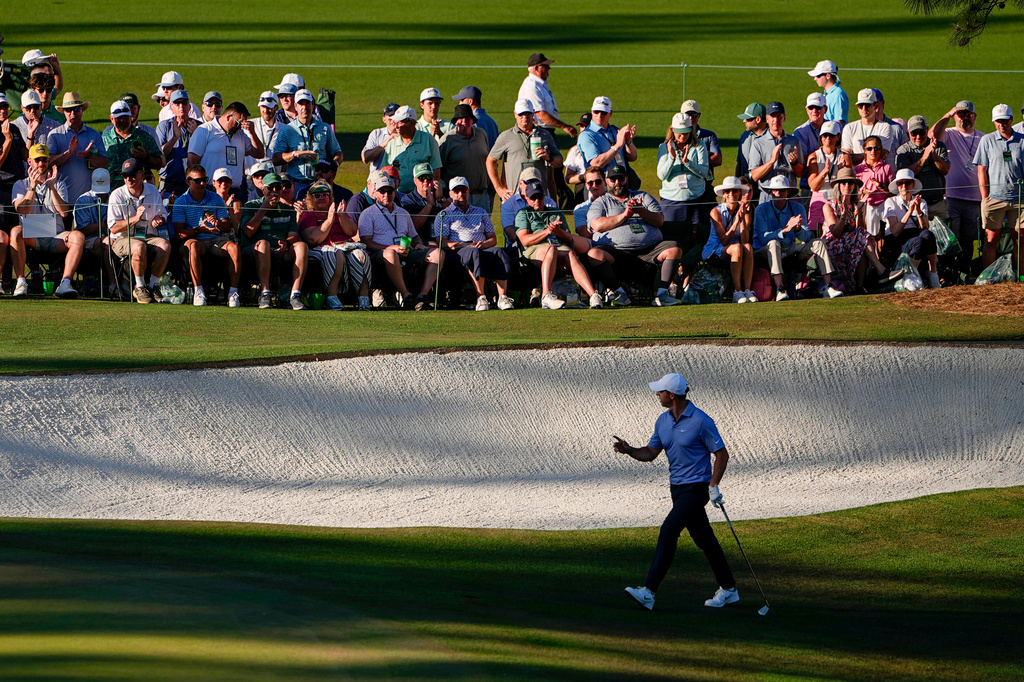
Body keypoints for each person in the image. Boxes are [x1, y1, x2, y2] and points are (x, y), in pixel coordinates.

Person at [616, 372, 739, 612]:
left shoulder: (701, 420)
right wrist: (629, 450)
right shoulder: (662, 421)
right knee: (704, 539)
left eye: (660, 391)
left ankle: (649, 591)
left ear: (672, 395)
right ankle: (729, 589)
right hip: (677, 489)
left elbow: (721, 454)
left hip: (696, 488)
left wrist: (713, 485)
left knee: (669, 530)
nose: (657, 394)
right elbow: (650, 453)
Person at [588, 164, 681, 306]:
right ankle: (620, 294)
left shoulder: (643, 196)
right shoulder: (601, 202)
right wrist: (625, 215)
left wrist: (641, 211)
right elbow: (597, 225)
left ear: (626, 179)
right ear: (606, 181)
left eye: (621, 179)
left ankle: (662, 295)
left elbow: (659, 220)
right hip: (616, 251)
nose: (617, 183)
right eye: (613, 179)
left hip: (649, 249)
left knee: (674, 249)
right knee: (594, 254)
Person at [358, 170, 443, 310]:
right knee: (391, 254)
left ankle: (422, 295)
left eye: (390, 191)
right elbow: (366, 242)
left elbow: (414, 235)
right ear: (376, 193)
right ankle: (406, 296)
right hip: (381, 255)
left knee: (437, 253)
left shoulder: (403, 213)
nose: (386, 195)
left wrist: (418, 244)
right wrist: (390, 247)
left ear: (395, 192)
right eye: (382, 191)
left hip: (406, 251)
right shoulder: (368, 214)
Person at [514, 179, 603, 309]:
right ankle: (546, 296)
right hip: (535, 249)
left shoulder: (555, 212)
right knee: (551, 249)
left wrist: (558, 231)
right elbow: (524, 240)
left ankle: (593, 295)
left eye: (540, 197)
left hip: (558, 245)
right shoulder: (523, 214)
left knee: (570, 254)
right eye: (533, 198)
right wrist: (547, 231)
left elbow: (568, 237)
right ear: (526, 198)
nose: (537, 200)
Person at [753, 175, 843, 300]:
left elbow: (806, 237)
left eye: (782, 190)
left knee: (818, 243)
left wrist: (797, 229)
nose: (778, 193)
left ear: (788, 192)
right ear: (771, 192)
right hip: (765, 250)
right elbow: (763, 238)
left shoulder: (798, 208)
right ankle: (780, 288)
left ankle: (828, 286)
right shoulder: (761, 209)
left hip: (790, 247)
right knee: (773, 243)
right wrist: (785, 230)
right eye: (775, 190)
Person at [9, 143, 81, 298]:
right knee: (15, 232)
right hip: (32, 235)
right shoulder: (21, 184)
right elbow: (22, 210)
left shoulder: (59, 184)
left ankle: (65, 283)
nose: (41, 163)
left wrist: (52, 188)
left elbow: (64, 213)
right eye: (37, 160)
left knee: (78, 237)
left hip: (55, 235)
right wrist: (32, 187)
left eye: (44, 160)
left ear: (49, 161)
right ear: (30, 162)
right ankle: (21, 282)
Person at [433, 176, 514, 311]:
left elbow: (493, 239)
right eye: (456, 191)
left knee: (499, 252)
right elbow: (442, 242)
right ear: (451, 194)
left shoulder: (480, 212)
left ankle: (502, 297)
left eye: (463, 190)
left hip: (481, 246)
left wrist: (484, 244)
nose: (460, 194)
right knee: (474, 252)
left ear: (468, 191)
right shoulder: (444, 215)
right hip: (459, 251)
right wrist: (464, 245)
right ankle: (481, 298)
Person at [172, 164, 241, 307]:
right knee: (193, 246)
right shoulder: (181, 202)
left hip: (215, 240)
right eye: (198, 181)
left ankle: (233, 292)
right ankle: (198, 291)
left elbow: (227, 227)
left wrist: (217, 223)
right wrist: (199, 230)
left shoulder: (216, 199)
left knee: (234, 248)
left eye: (205, 180)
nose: (202, 183)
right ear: (188, 182)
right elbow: (179, 234)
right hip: (194, 239)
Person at [929, 100, 985, 278]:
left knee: (968, 240)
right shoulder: (949, 134)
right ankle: (950, 275)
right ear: (955, 117)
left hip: (975, 199)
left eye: (968, 115)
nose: (964, 118)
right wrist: (948, 114)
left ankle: (965, 273)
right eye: (961, 115)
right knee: (951, 239)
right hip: (952, 197)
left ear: (975, 116)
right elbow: (932, 135)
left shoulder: (983, 138)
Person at [299, 179, 371, 311]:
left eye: (325, 195)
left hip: (344, 246)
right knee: (333, 253)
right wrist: (329, 219)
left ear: (330, 197)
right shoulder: (309, 215)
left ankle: (364, 297)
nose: (321, 198)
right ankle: (332, 296)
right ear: (311, 198)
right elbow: (313, 239)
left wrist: (342, 216)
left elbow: (352, 232)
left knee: (360, 255)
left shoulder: (338, 212)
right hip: (321, 248)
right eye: (317, 195)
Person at [106, 158, 172, 303]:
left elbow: (162, 214)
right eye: (125, 176)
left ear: (142, 174)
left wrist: (159, 219)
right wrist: (135, 219)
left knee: (165, 246)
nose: (128, 179)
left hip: (149, 235)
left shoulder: (153, 191)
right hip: (123, 238)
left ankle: (153, 286)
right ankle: (140, 287)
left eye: (132, 175)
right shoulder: (117, 195)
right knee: (139, 246)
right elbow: (114, 227)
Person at [240, 172, 308, 310]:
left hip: (280, 251)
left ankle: (295, 294)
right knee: (264, 244)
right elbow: (248, 231)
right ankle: (265, 293)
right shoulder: (251, 206)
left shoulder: (288, 210)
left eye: (278, 188)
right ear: (263, 189)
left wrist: (286, 243)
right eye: (270, 188)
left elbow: (293, 235)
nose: (274, 191)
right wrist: (263, 209)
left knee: (301, 246)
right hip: (255, 251)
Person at [822, 168, 896, 294]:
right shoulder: (828, 205)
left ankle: (860, 287)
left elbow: (861, 229)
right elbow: (835, 233)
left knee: (861, 243)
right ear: (838, 186)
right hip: (833, 246)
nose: (847, 185)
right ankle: (881, 271)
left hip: (852, 243)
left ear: (854, 186)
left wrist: (860, 212)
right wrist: (844, 214)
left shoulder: (856, 204)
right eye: (843, 182)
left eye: (851, 183)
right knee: (861, 240)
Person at [973, 103, 1024, 268]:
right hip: (994, 198)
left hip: (1020, 199)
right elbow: (981, 170)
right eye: (998, 121)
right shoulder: (987, 140)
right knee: (991, 239)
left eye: (1005, 120)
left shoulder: (1022, 140)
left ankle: (1021, 277)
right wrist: (985, 197)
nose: (1002, 124)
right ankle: (988, 277)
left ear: (1011, 120)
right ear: (994, 122)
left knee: (1020, 240)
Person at [487, 98, 561, 202]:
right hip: (515, 198)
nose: (524, 117)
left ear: (533, 113)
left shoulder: (545, 135)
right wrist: (499, 189)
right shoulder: (506, 136)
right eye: (521, 114)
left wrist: (549, 157)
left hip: (539, 198)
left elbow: (559, 161)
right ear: (515, 114)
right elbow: (490, 161)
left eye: (528, 113)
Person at [45, 91, 109, 202]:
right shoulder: (55, 135)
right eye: (68, 110)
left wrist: (90, 156)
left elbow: (105, 164)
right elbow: (48, 164)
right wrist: (68, 153)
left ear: (82, 110)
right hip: (62, 199)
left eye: (76, 109)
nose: (73, 113)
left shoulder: (94, 135)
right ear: (63, 112)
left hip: (89, 200)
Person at [189, 102, 264, 194]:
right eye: (238, 123)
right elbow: (192, 162)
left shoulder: (241, 134)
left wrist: (252, 132)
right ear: (228, 117)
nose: (240, 127)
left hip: (235, 190)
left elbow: (259, 154)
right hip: (210, 190)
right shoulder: (205, 130)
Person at [884, 168, 939, 288]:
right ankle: (910, 274)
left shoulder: (921, 201)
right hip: (897, 239)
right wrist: (909, 211)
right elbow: (895, 231)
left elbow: (925, 227)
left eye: (907, 183)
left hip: (915, 233)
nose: (904, 186)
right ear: (897, 186)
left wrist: (918, 210)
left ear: (913, 185)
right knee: (918, 242)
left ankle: (933, 273)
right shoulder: (891, 201)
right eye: (900, 183)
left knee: (928, 235)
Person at [704, 176, 754, 303]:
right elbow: (723, 241)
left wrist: (742, 220)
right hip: (715, 249)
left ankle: (747, 290)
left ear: (739, 193)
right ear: (724, 194)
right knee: (737, 248)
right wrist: (736, 221)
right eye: (727, 191)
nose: (731, 194)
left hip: (736, 247)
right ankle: (737, 291)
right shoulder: (716, 212)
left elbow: (745, 239)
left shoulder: (745, 211)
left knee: (748, 247)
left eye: (734, 191)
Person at [746, 102, 803, 204]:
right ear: (767, 118)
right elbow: (754, 175)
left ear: (784, 118)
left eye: (779, 116)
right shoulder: (758, 143)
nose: (776, 120)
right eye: (772, 116)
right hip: (768, 195)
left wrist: (794, 163)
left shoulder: (793, 141)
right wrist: (772, 161)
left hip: (789, 195)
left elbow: (799, 173)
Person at [656, 112, 708, 224]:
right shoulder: (664, 147)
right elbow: (661, 175)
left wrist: (687, 162)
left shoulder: (699, 145)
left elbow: (704, 172)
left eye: (686, 132)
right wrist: (671, 158)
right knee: (673, 233)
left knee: (697, 233)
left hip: (696, 198)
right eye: (680, 133)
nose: (683, 136)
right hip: (671, 200)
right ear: (673, 131)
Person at [72, 168, 117, 297]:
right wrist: (105, 224)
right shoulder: (83, 200)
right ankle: (113, 285)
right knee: (108, 243)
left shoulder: (115, 198)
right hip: (89, 240)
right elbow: (83, 229)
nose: (101, 194)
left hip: (114, 236)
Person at [895, 115, 950, 220]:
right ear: (908, 132)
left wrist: (934, 155)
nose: (918, 136)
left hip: (938, 204)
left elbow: (945, 170)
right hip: (915, 204)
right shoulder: (903, 150)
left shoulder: (939, 146)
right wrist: (924, 156)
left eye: (921, 132)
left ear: (927, 130)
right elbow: (906, 176)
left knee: (945, 230)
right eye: (914, 133)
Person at [439, 104, 491, 212]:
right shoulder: (447, 140)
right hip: (458, 197)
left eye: (467, 118)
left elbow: (488, 161)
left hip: (481, 196)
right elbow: (438, 169)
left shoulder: (481, 135)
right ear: (455, 122)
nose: (464, 121)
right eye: (460, 119)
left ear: (472, 120)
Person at [103, 100, 163, 191]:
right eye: (119, 118)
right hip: (111, 190)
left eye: (125, 117)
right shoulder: (104, 139)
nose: (122, 120)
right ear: (111, 119)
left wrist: (146, 157)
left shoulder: (144, 137)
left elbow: (160, 163)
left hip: (137, 191)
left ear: (130, 116)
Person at [381, 105, 441, 195]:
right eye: (395, 123)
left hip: (421, 195)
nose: (396, 126)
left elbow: (436, 168)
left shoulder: (428, 140)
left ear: (412, 123)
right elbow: (385, 170)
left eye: (400, 123)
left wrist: (431, 191)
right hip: (398, 194)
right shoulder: (392, 143)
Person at [681, 99, 722, 226]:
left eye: (694, 115)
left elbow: (718, 159)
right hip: (684, 188)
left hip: (705, 187)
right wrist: (703, 158)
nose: (691, 118)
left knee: (707, 224)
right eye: (687, 115)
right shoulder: (678, 136)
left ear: (699, 116)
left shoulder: (709, 136)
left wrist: (691, 161)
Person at [517, 52, 576, 138]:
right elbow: (541, 114)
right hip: (539, 132)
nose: (549, 68)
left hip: (544, 130)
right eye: (545, 66)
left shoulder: (541, 83)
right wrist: (564, 126)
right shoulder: (532, 87)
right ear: (536, 68)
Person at [154, 90, 199, 199]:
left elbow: (205, 155)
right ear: (171, 107)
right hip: (169, 182)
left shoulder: (198, 126)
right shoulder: (164, 126)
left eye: (184, 103)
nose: (181, 106)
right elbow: (160, 155)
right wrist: (174, 138)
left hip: (193, 183)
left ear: (189, 106)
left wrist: (196, 136)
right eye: (177, 103)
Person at [577, 96, 636, 174]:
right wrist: (618, 146)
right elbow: (596, 164)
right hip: (602, 181)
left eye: (603, 112)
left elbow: (633, 157)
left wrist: (629, 142)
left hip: (622, 178)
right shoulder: (586, 136)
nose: (599, 115)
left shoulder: (615, 130)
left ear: (610, 113)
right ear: (591, 111)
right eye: (596, 112)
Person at [805, 121, 847, 231]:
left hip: (837, 197)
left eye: (831, 135)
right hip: (819, 197)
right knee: (816, 231)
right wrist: (825, 171)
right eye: (825, 135)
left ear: (838, 137)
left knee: (837, 231)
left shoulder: (844, 157)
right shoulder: (814, 156)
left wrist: (841, 171)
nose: (828, 138)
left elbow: (847, 184)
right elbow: (813, 186)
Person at [841, 89, 899, 166]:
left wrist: (852, 156)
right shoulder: (849, 128)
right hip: (856, 172)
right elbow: (846, 158)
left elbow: (880, 156)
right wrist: (871, 155)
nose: (864, 109)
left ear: (876, 106)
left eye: (867, 105)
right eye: (860, 106)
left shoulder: (885, 127)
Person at [854, 135, 895, 240]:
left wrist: (881, 186)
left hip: (883, 206)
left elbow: (892, 192)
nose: (873, 151)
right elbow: (853, 192)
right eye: (869, 148)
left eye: (876, 148)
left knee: (884, 236)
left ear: (881, 149)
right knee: (868, 237)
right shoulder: (858, 169)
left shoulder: (886, 168)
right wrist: (864, 192)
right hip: (866, 207)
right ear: (864, 150)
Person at [400, 162, 445, 242]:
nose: (425, 181)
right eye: (421, 178)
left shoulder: (440, 193)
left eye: (429, 177)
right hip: (421, 242)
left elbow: (456, 214)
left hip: (442, 240)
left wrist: (440, 199)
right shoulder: (407, 200)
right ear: (415, 180)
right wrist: (429, 205)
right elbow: (412, 227)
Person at [794, 93, 826, 200]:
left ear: (825, 109)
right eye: (811, 107)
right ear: (807, 110)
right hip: (808, 186)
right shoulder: (800, 132)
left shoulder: (835, 128)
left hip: (831, 184)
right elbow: (802, 160)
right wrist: (826, 151)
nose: (814, 111)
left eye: (818, 107)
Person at [248, 91, 286, 178]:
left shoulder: (284, 129)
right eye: (263, 107)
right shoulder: (250, 125)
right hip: (252, 178)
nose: (265, 111)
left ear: (276, 108)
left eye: (269, 108)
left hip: (274, 178)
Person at [12, 90, 59, 156]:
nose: (32, 110)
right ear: (22, 108)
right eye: (28, 108)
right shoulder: (14, 127)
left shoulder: (54, 126)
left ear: (41, 106)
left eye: (36, 107)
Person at [361, 102, 400, 177]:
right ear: (384, 119)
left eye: (396, 116)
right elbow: (365, 158)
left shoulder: (407, 135)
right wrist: (384, 144)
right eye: (390, 116)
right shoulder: (376, 134)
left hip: (398, 180)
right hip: (377, 179)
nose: (393, 120)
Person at [735, 102, 767, 191]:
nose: (744, 121)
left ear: (758, 119)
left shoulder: (772, 139)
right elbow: (739, 164)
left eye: (748, 119)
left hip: (763, 189)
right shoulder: (745, 136)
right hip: (745, 189)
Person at [808, 59, 848, 125]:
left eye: (818, 76)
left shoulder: (838, 95)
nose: (815, 79)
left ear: (828, 76)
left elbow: (840, 122)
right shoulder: (828, 93)